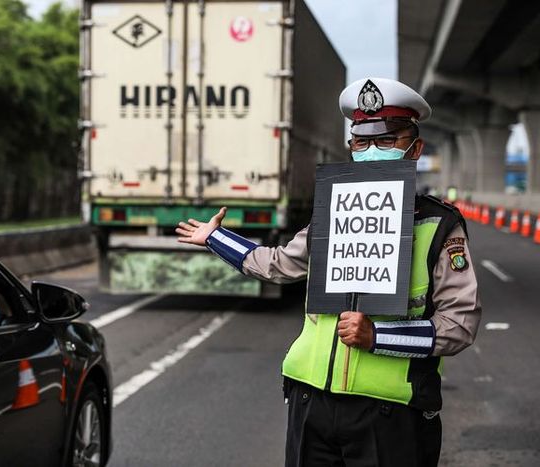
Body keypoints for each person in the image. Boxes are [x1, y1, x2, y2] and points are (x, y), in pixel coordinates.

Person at [175, 77, 481, 466]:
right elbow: (279, 264)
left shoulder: (438, 225)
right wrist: (215, 238)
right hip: (310, 401)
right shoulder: (333, 213)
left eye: (386, 141)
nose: (371, 151)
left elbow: (460, 323)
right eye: (361, 141)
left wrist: (378, 336)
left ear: (415, 148)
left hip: (389, 416)